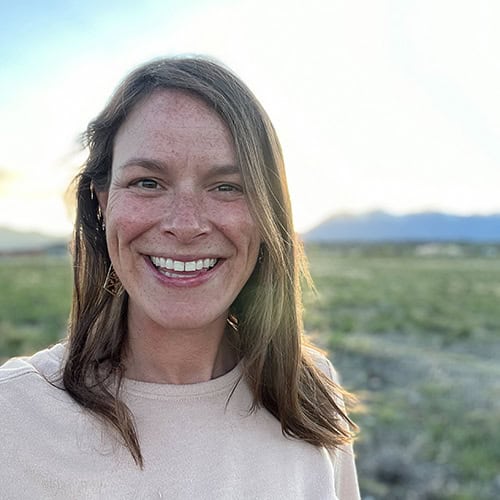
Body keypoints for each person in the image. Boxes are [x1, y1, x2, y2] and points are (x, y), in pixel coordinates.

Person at [0, 56, 360, 499]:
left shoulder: (309, 397)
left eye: (227, 186)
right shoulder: (13, 416)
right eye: (148, 182)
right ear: (102, 201)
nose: (185, 225)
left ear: (269, 214)